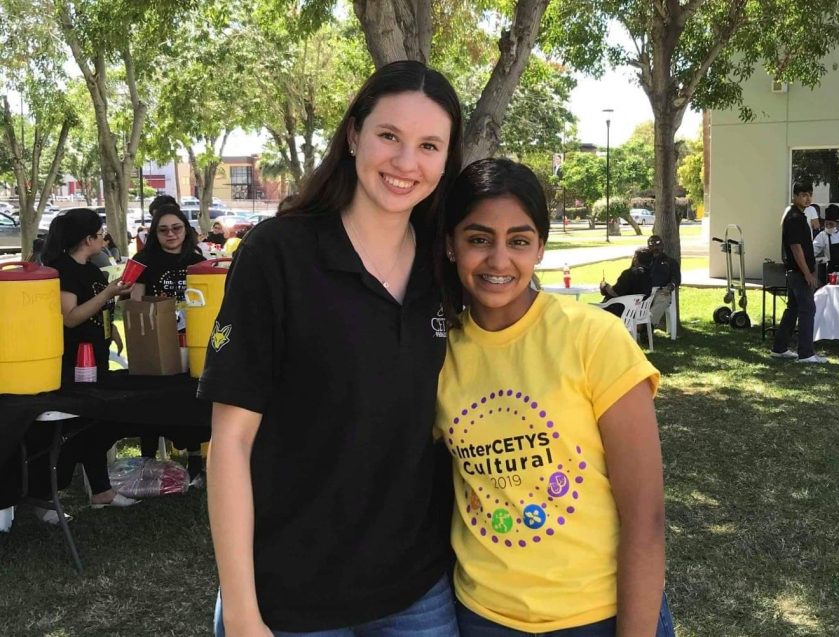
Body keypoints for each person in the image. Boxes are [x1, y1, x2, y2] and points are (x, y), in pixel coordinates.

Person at [199, 60, 464, 636]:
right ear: (353, 135)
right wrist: (243, 612)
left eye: (428, 145)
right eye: (388, 136)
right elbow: (230, 443)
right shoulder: (278, 255)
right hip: (288, 598)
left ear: (446, 160)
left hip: (415, 591)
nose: (405, 162)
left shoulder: (445, 269)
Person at [438, 158, 673, 636]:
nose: (499, 260)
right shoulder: (437, 355)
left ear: (540, 247)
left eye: (519, 241)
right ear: (450, 244)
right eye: (478, 239)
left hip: (599, 615)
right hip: (482, 617)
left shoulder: (594, 338)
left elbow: (645, 517)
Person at [33, 209, 138, 510]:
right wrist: (107, 294)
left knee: (96, 424)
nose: (105, 236)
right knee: (66, 430)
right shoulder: (62, 269)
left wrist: (111, 327)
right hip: (72, 364)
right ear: (87, 238)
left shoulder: (92, 269)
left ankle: (101, 490)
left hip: (98, 358)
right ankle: (45, 497)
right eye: (100, 231)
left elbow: (95, 310)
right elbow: (70, 318)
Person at [131, 203, 206, 479]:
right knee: (150, 398)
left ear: (186, 230)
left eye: (176, 228)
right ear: (155, 234)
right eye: (163, 230)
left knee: (191, 396)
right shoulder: (144, 259)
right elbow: (135, 301)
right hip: (155, 340)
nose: (170, 234)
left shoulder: (198, 260)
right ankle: (147, 462)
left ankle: (195, 461)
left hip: (192, 340)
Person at [771, 182, 826, 363]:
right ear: (794, 196)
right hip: (798, 272)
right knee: (807, 309)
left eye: (810, 194)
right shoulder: (794, 217)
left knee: (793, 309)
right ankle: (806, 353)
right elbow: (796, 248)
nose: (808, 198)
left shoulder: (799, 215)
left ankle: (779, 348)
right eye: (803, 194)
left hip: (797, 271)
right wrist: (807, 273)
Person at [599, 248, 652, 316]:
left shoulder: (628, 274)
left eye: (634, 257)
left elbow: (616, 293)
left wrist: (605, 286)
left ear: (636, 259)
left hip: (621, 310)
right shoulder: (649, 275)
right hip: (637, 311)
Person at [646, 234, 680, 328]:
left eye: (657, 244)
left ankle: (647, 326)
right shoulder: (643, 260)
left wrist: (670, 286)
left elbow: (676, 278)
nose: (654, 247)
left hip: (661, 291)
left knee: (663, 298)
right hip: (644, 291)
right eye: (651, 244)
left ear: (663, 246)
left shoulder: (670, 262)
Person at [812, 204, 839, 276]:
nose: (828, 226)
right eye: (826, 224)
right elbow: (812, 251)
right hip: (833, 274)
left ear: (838, 223)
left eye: (831, 224)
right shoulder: (822, 235)